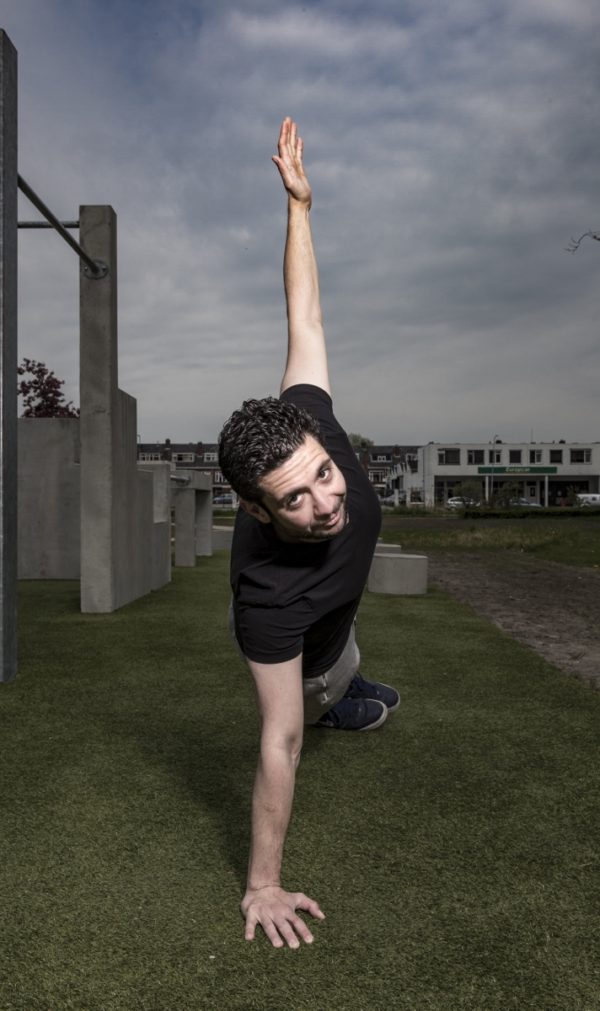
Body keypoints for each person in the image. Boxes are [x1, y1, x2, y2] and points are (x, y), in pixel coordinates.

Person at [218, 117, 400, 950]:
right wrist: (263, 881)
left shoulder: (306, 421)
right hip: (316, 657)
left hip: (346, 616)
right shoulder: (266, 598)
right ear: (256, 510)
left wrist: (300, 206)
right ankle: (347, 702)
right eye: (295, 499)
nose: (327, 502)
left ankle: (355, 685)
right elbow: (276, 740)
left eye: (325, 472)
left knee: (360, 656)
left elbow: (306, 315)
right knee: (333, 695)